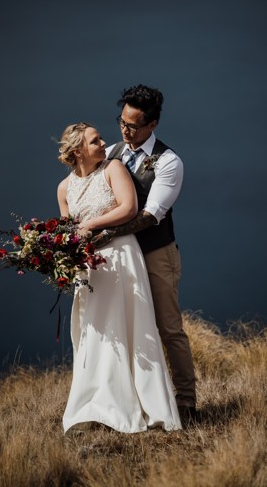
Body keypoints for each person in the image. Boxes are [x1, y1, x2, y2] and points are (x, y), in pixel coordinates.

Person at [55, 122, 180, 433]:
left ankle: (139, 404)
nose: (103, 143)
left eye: (100, 138)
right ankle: (96, 405)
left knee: (130, 326)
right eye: (95, 141)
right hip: (90, 266)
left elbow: (129, 208)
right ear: (77, 152)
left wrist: (91, 224)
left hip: (121, 256)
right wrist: (64, 253)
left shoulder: (113, 168)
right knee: (96, 331)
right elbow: (68, 229)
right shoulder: (63, 188)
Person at [93, 84, 196, 424]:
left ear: (153, 124)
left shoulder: (169, 162)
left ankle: (186, 402)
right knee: (123, 328)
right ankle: (130, 402)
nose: (126, 131)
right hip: (119, 257)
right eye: (122, 122)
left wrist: (107, 234)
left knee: (168, 328)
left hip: (156, 254)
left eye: (134, 126)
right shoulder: (112, 152)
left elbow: (151, 215)